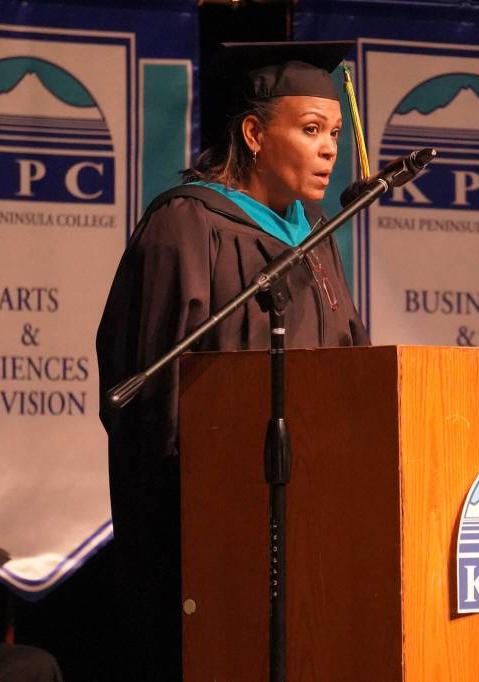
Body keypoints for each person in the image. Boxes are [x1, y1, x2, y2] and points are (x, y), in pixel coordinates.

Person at [96, 41, 369, 680]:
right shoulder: (188, 226)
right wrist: (187, 514)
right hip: (213, 526)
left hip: (313, 519)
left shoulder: (318, 238)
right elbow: (155, 392)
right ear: (252, 132)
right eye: (310, 131)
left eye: (334, 132)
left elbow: (353, 370)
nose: (331, 148)